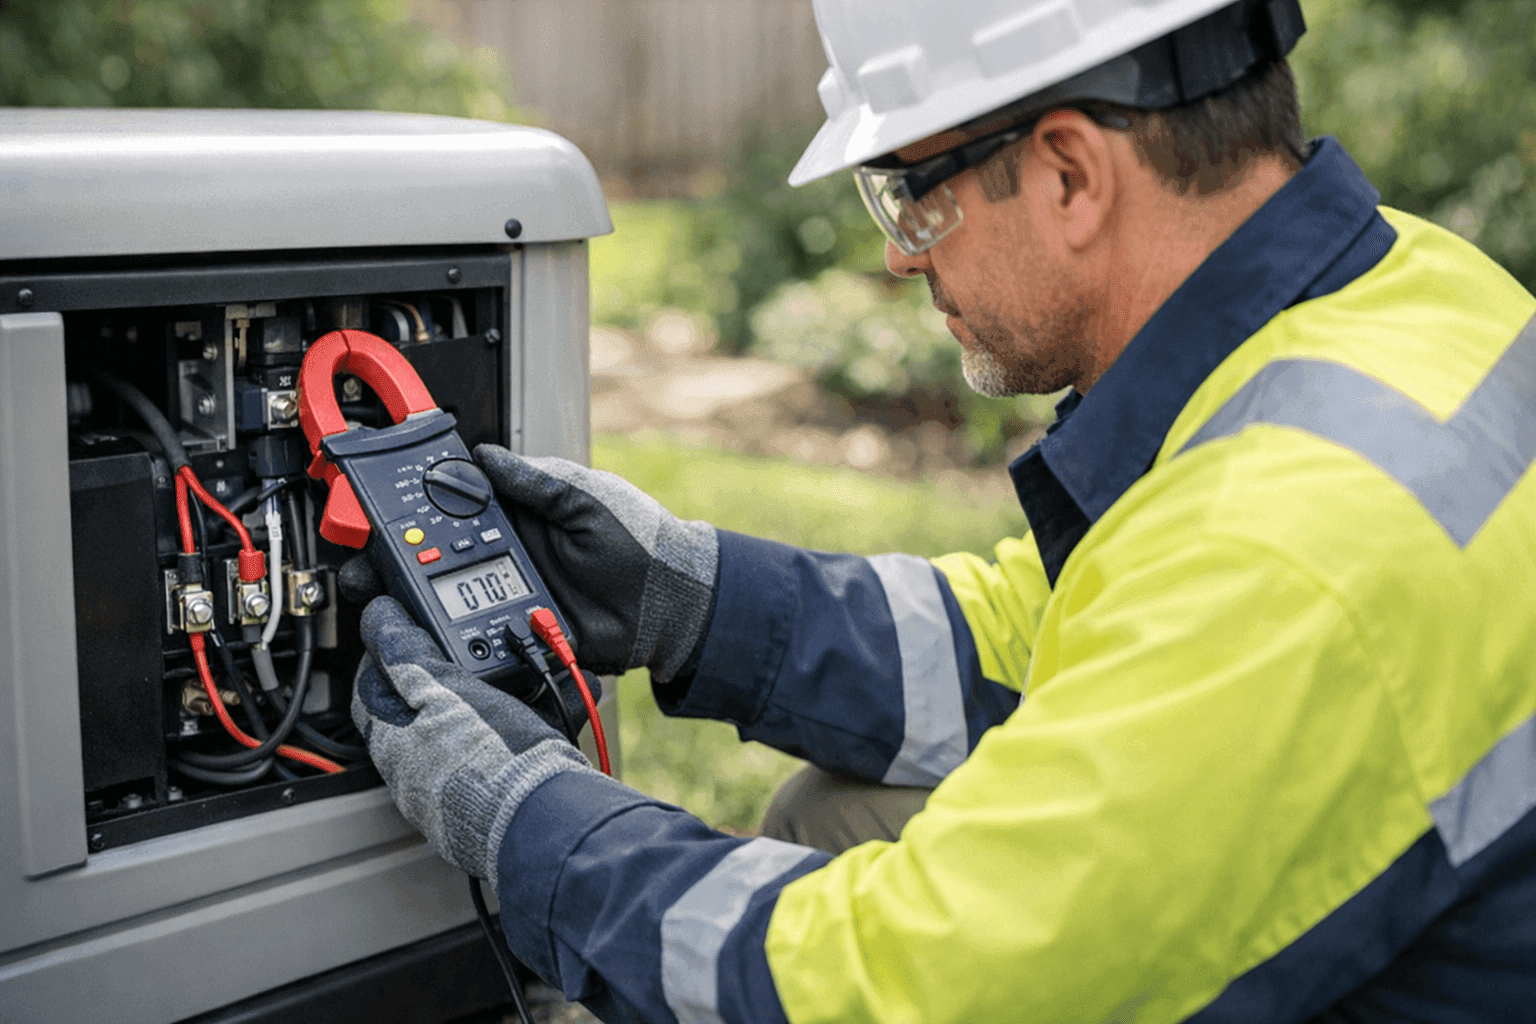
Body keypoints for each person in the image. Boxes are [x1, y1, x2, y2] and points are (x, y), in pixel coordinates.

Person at [348, 0, 1536, 1020]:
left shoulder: (1292, 555)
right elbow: (1058, 634)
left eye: (911, 194)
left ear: (1071, 172)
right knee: (836, 814)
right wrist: (693, 598)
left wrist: (535, 830)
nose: (903, 261)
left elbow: (899, 987)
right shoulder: (1405, 292)